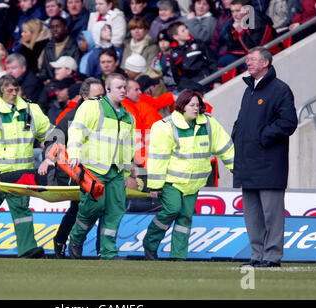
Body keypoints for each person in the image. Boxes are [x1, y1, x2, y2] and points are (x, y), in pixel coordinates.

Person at [142, 89, 234, 261]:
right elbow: (158, 158)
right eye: (192, 105)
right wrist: (155, 185)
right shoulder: (165, 126)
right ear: (182, 106)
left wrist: (235, 166)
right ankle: (150, 243)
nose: (195, 108)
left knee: (185, 218)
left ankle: (178, 256)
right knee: (172, 210)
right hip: (172, 181)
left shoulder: (208, 123)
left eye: (198, 105)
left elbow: (225, 147)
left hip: (194, 183)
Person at [0, 75, 53, 258]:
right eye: (10, 90)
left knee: (22, 211)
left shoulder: (31, 110)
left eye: (16, 90)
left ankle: (28, 249)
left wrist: (50, 149)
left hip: (20, 175)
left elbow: (50, 132)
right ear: (0, 92)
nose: (14, 94)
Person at [232, 47, 298, 268]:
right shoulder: (249, 90)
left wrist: (263, 137)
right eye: (247, 60)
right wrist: (237, 136)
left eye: (252, 60)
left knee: (272, 214)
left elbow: (288, 123)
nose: (247, 63)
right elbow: (242, 121)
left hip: (269, 163)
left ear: (265, 63)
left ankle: (272, 256)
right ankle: (257, 255)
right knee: (252, 215)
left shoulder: (280, 90)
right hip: (247, 162)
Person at [67, 73, 135, 260]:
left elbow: (129, 147)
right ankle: (76, 239)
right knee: (92, 208)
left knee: (115, 212)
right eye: (119, 87)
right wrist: (73, 154)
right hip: (93, 169)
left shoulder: (128, 117)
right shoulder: (92, 106)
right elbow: (76, 130)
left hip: (116, 172)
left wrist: (128, 173)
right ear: (108, 89)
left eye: (125, 87)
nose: (123, 91)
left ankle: (108, 253)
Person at [40, 77, 105, 258]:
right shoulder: (70, 117)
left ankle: (101, 250)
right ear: (84, 97)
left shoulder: (108, 115)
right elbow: (54, 140)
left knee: (101, 209)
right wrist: (49, 159)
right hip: (79, 172)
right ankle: (62, 241)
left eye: (102, 96)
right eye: (96, 97)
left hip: (102, 170)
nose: (101, 101)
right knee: (78, 209)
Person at [39, 17, 81, 82]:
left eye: (58, 26)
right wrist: (44, 80)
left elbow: (75, 70)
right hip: (50, 84)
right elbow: (44, 69)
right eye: (52, 27)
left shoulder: (73, 46)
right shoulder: (48, 46)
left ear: (65, 27)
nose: (55, 29)